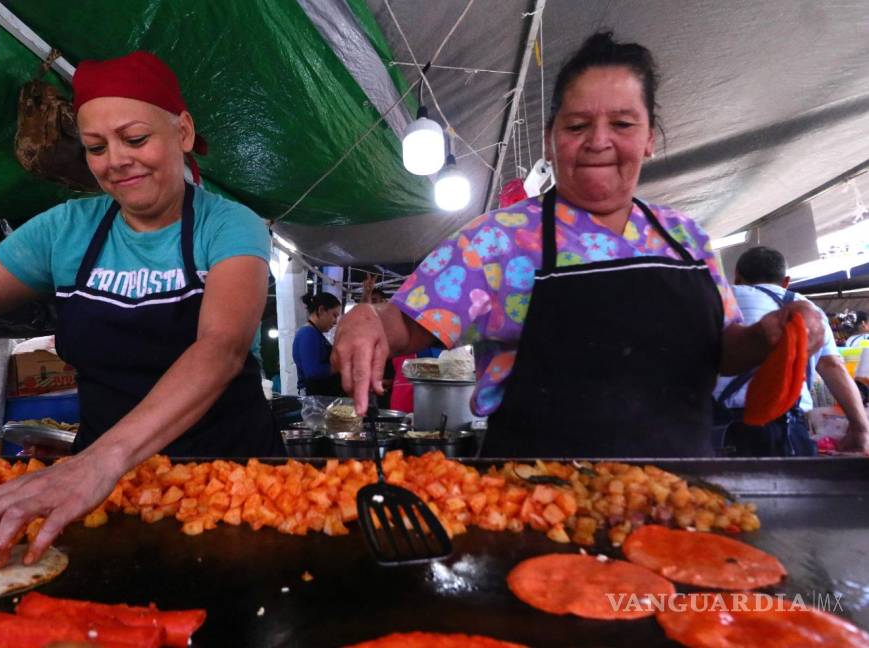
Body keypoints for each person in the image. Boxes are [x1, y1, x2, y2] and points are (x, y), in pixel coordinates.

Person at [0, 51, 282, 572]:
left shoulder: (230, 225)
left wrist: (102, 461)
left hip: (232, 480)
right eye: (96, 147)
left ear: (183, 132)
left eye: (135, 139)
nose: (115, 160)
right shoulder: (65, 229)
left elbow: (222, 347)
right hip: (102, 491)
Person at [332, 32, 823, 458]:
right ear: (550, 140)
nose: (598, 141)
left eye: (623, 124)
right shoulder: (498, 241)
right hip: (540, 503)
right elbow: (404, 323)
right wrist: (364, 319)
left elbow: (723, 350)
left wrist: (768, 336)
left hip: (677, 494)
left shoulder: (686, 239)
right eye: (577, 125)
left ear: (650, 136)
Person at [715, 247, 869, 455]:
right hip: (784, 426)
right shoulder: (806, 308)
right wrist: (860, 429)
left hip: (716, 427)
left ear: (737, 278)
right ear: (786, 281)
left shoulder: (718, 300)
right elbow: (833, 367)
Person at [293, 292, 343, 396]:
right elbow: (313, 371)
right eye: (334, 315)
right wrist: (340, 366)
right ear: (321, 310)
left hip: (322, 394)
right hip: (314, 398)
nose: (335, 322)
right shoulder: (308, 333)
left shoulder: (315, 333)